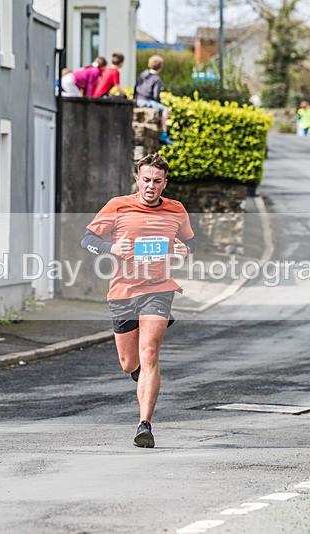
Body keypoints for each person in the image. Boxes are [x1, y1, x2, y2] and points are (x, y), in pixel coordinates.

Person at [81, 153, 196, 448]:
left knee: (149, 353)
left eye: (157, 181)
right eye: (146, 180)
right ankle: (142, 377)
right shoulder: (118, 206)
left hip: (159, 288)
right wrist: (111, 247)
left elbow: (190, 242)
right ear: (137, 180)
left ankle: (144, 424)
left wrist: (185, 249)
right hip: (123, 291)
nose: (151, 186)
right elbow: (88, 240)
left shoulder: (176, 210)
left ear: (164, 183)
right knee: (129, 362)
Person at [134, 55, 174, 145]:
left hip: (137, 99)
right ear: (160, 67)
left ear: (149, 64)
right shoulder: (156, 79)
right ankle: (164, 134)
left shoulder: (143, 74)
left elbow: (136, 87)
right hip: (146, 101)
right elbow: (156, 96)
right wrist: (159, 103)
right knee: (165, 110)